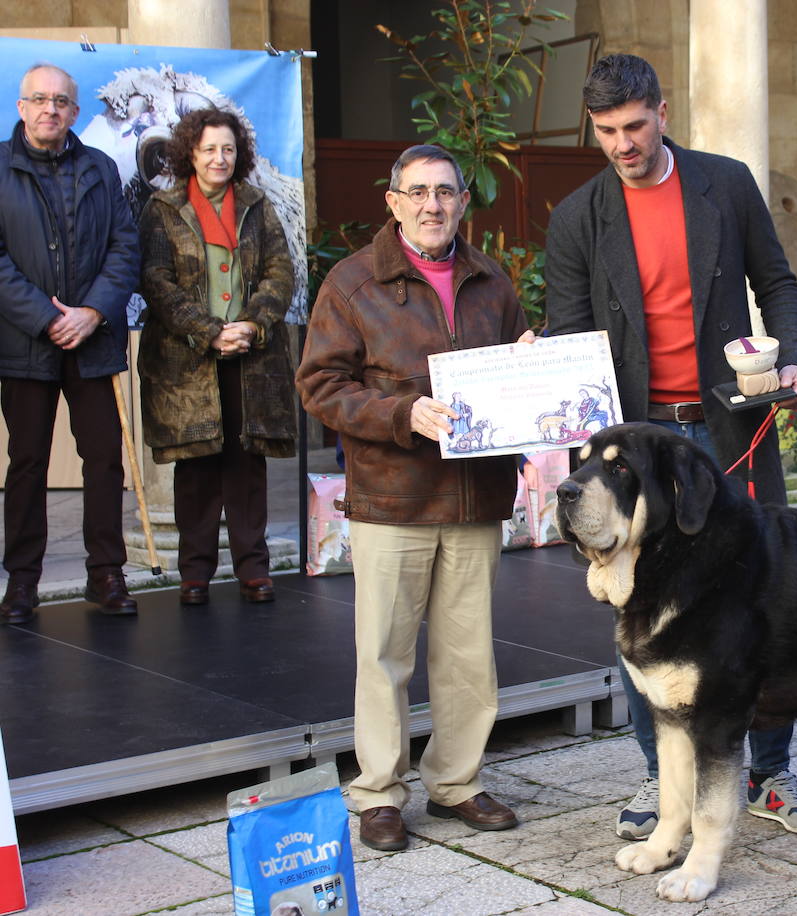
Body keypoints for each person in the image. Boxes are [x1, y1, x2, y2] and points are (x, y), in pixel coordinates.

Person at [544, 53, 797, 841]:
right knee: (640, 602)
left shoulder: (725, 183)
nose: (623, 144)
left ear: (662, 112)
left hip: (728, 425)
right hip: (637, 447)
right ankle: (661, 775)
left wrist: (794, 357)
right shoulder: (577, 217)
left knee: (762, 594)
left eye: (635, 126)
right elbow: (569, 331)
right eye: (606, 132)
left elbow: (777, 282)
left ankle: (771, 772)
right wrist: (541, 367)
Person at [297, 144, 530, 851]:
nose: (433, 205)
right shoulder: (352, 282)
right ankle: (378, 793)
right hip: (393, 497)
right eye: (418, 192)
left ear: (464, 202)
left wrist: (534, 367)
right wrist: (404, 414)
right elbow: (320, 386)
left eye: (446, 192)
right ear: (393, 202)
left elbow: (520, 357)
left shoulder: (493, 280)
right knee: (385, 654)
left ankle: (457, 782)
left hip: (473, 498)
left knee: (468, 656)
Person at [0, 63, 140, 625]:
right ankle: (23, 582)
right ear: (21, 107)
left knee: (104, 459)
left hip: (91, 340)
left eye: (61, 101)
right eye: (39, 99)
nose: (50, 109)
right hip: (23, 343)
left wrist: (90, 312)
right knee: (28, 462)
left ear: (75, 112)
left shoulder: (100, 168)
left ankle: (105, 574)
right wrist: (45, 317)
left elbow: (124, 246)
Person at [137, 108, 295, 606]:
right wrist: (209, 332)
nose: (219, 158)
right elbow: (156, 282)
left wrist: (250, 323)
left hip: (250, 356)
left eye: (227, 148)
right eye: (209, 149)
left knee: (246, 465)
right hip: (188, 360)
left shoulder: (256, 204)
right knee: (197, 467)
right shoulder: (163, 208)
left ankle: (254, 569)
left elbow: (280, 271)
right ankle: (195, 574)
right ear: (191, 153)